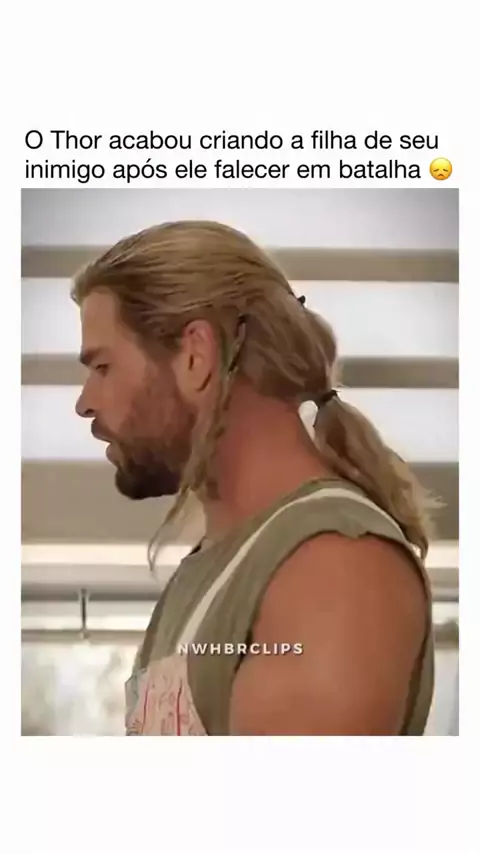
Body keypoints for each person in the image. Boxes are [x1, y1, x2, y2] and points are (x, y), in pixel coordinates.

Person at [73, 220, 436, 736]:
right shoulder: (215, 562)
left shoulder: (333, 565)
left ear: (196, 356)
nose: (84, 403)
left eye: (102, 367)